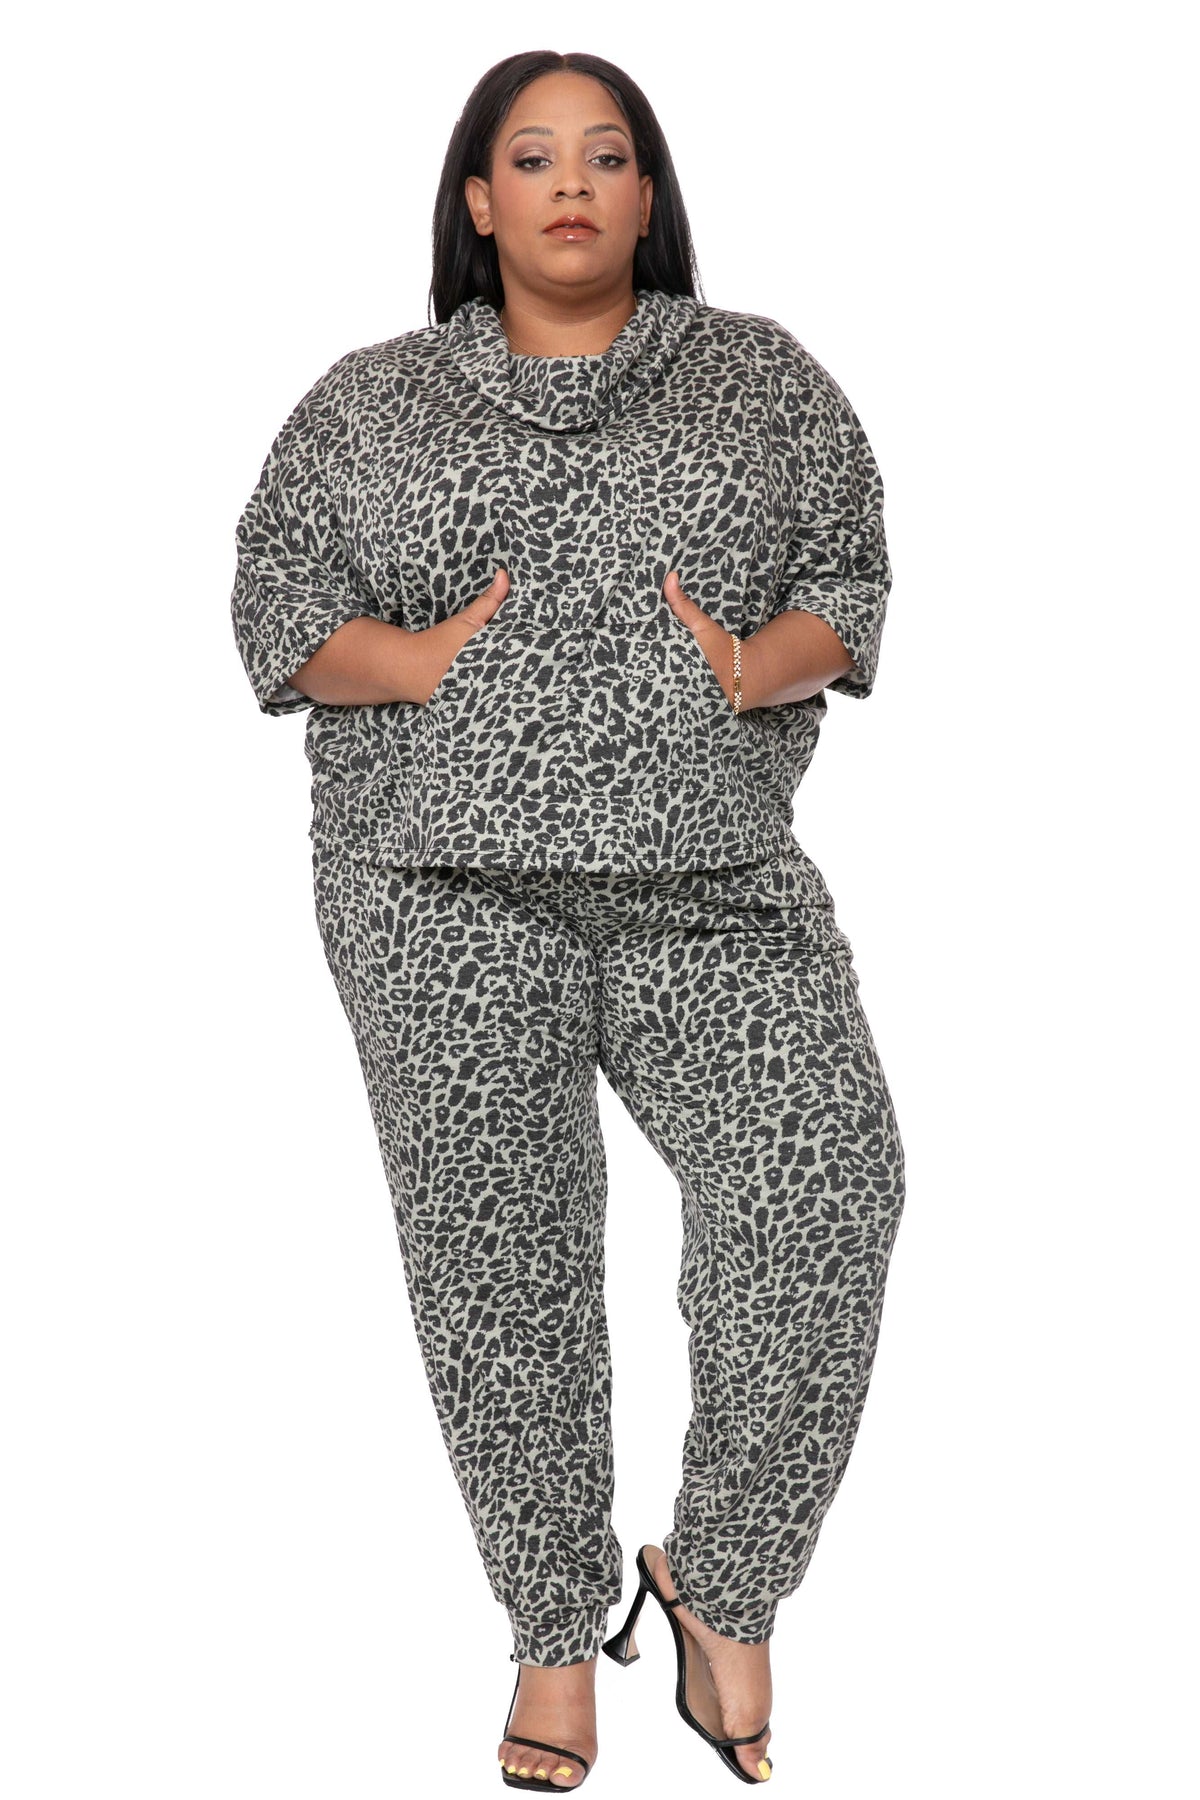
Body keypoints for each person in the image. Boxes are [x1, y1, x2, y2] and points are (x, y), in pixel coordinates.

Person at [230, 48, 906, 1792]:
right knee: (503, 1263)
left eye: (606, 156)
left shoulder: (760, 379)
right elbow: (275, 598)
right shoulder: (372, 403)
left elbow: (850, 577)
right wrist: (414, 664)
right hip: (438, 889)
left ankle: (724, 1583)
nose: (572, 185)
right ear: (479, 201)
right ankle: (550, 1630)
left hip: (711, 882)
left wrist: (754, 665)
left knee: (826, 1189)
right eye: (532, 159)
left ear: (648, 192)